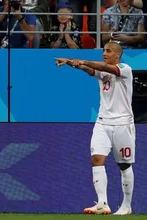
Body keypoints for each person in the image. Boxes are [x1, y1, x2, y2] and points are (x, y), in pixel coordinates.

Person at [55, 41, 135, 216]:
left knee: (124, 165)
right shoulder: (102, 70)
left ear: (118, 55)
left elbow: (103, 67)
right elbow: (90, 70)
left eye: (109, 51)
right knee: (96, 159)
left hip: (122, 124)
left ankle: (126, 205)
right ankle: (102, 203)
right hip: (102, 122)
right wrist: (71, 62)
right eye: (104, 51)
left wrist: (81, 59)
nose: (104, 53)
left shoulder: (125, 69)